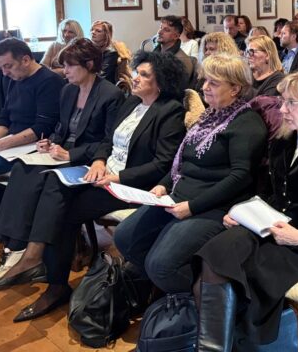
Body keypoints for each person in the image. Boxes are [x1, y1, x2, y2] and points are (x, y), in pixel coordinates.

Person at [0, 51, 186, 313]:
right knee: (52, 182)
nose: (135, 78)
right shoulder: (132, 102)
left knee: (63, 210)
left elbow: (162, 164)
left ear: (161, 82)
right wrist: (98, 161)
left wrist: (116, 176)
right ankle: (35, 259)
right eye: (137, 72)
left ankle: (48, 277)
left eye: (144, 75)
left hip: (130, 183)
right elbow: (108, 140)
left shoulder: (170, 111)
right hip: (104, 173)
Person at [191, 70, 298, 349]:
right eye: (283, 101)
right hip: (271, 226)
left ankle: (225, 344)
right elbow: (272, 194)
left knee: (234, 276)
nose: (281, 109)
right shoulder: (283, 142)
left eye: (291, 103)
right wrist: (243, 212)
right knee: (213, 256)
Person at [114, 54, 268, 294]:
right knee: (124, 237)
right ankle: (158, 292)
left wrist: (192, 207)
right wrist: (163, 185)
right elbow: (183, 161)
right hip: (178, 197)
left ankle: (198, 301)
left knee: (161, 265)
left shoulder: (246, 123)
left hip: (213, 206)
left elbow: (241, 177)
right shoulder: (209, 116)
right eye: (205, 80)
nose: (205, 87)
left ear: (235, 88)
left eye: (214, 83)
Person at [0, 39, 124, 285]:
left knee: (47, 181)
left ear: (89, 65)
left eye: (69, 66)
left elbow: (108, 141)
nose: (64, 71)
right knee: (23, 167)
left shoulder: (110, 94)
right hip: (61, 152)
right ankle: (15, 244)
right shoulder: (68, 90)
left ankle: (31, 256)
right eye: (63, 65)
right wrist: (49, 142)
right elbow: (61, 129)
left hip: (86, 157)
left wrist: (70, 155)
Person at [0, 38, 64, 176]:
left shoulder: (50, 81)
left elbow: (42, 128)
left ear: (26, 60)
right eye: (1, 68)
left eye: (8, 66)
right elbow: (5, 116)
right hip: (11, 143)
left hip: (33, 147)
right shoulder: (13, 78)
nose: (4, 73)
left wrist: (1, 144)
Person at [154, 16, 196, 90]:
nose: (159, 32)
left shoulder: (181, 60)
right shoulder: (156, 52)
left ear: (176, 36)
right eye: (160, 27)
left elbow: (176, 91)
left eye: (166, 30)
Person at [90, 20, 120, 84]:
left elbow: (102, 76)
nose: (93, 32)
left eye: (98, 31)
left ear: (106, 35)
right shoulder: (90, 49)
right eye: (92, 30)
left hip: (103, 85)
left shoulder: (111, 53)